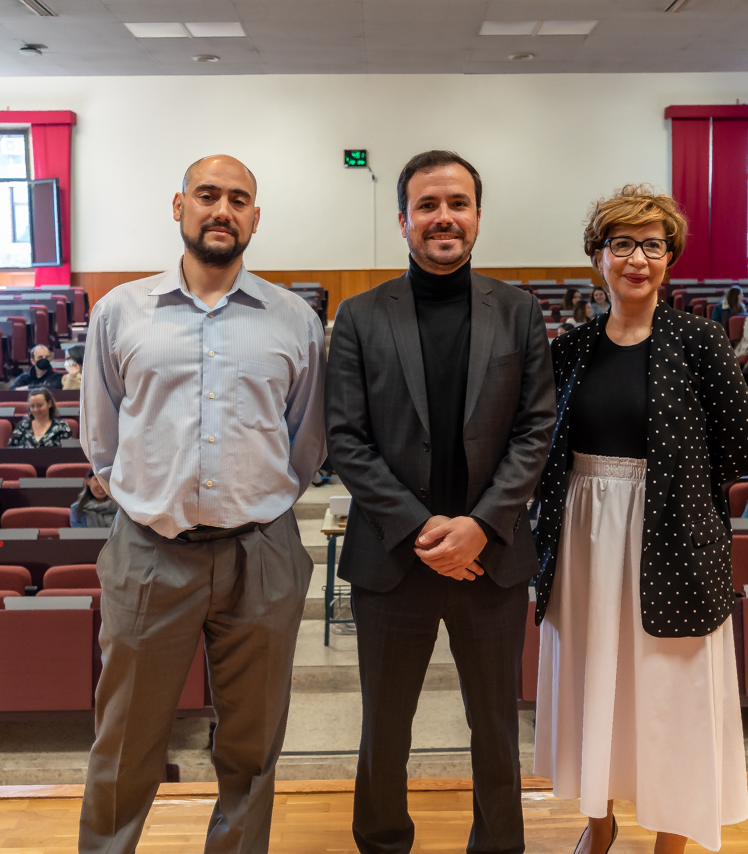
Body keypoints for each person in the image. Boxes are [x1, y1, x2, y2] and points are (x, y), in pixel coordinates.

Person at [78, 154, 326, 854]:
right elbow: (101, 438)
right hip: (151, 550)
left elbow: (307, 441)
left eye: (238, 198)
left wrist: (260, 499)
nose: (223, 209)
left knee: (252, 746)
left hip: (262, 552)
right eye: (208, 195)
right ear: (179, 205)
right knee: (125, 739)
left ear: (255, 216)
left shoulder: (294, 319)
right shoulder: (120, 310)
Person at [326, 150, 554, 854]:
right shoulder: (360, 317)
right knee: (385, 728)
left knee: (494, 726)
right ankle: (384, 841)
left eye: (457, 203)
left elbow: (537, 428)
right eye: (428, 206)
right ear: (403, 221)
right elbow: (346, 439)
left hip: (492, 561)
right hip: (394, 559)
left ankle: (498, 845)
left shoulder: (517, 311)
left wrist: (481, 527)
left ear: (478, 216)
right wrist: (425, 529)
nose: (443, 217)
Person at [533, 184, 748, 854]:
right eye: (621, 243)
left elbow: (737, 447)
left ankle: (673, 837)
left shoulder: (698, 340)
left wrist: (670, 495)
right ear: (597, 256)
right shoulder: (571, 347)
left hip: (671, 534)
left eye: (652, 245)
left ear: (669, 258)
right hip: (582, 533)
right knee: (592, 679)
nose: (637, 258)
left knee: (669, 691)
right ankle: (599, 822)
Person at [8, 388, 72, 448]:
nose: (36, 410)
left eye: (40, 405)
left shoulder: (62, 426)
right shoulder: (22, 426)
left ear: (49, 404)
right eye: (32, 406)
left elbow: (69, 453)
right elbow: (11, 451)